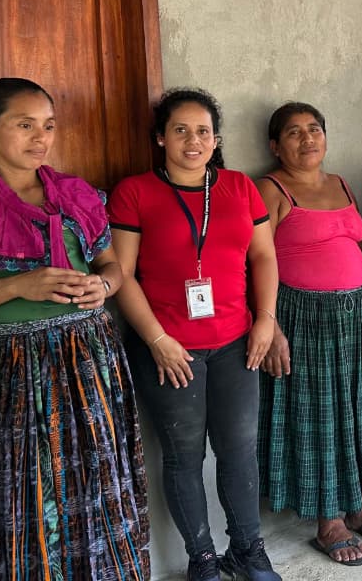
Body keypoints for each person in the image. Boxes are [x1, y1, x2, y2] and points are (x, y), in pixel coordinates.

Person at [0, 78, 149, 580]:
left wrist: (103, 287)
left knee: (94, 486)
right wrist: (21, 285)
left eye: (48, 126)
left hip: (87, 360)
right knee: (18, 495)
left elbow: (112, 267)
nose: (40, 138)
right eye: (24, 125)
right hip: (6, 371)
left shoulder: (75, 193)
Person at [109, 89, 282, 581]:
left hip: (236, 343)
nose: (193, 140)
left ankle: (248, 550)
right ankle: (202, 558)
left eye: (203, 131)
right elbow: (121, 274)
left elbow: (264, 256)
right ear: (161, 138)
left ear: (216, 139)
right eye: (180, 130)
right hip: (169, 349)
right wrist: (157, 340)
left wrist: (266, 319)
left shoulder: (239, 187)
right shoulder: (135, 192)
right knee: (184, 455)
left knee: (239, 450)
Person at [254, 102, 362, 567]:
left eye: (314, 129)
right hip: (302, 318)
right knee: (319, 418)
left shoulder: (340, 184)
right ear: (275, 146)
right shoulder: (270, 189)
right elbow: (252, 260)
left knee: (358, 410)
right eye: (294, 132)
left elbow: (361, 249)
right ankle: (328, 519)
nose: (307, 139)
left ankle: (358, 505)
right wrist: (270, 326)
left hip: (355, 316)